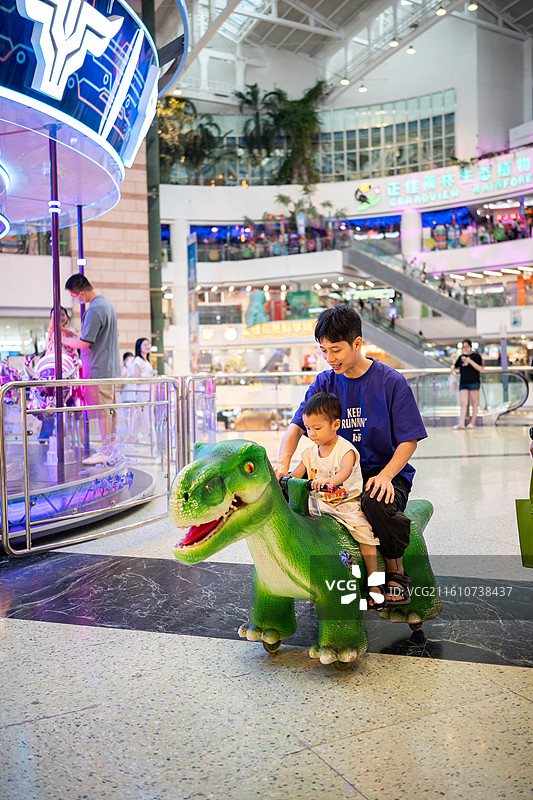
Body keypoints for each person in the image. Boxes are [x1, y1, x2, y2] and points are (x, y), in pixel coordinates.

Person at [274, 306, 427, 606]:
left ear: (357, 343)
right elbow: (295, 427)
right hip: (332, 475)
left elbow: (409, 441)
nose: (329, 358)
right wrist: (284, 463)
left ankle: (395, 571)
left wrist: (386, 476)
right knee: (284, 491)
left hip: (381, 473)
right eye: (323, 351)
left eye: (336, 350)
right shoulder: (324, 383)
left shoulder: (391, 382)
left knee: (375, 500)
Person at [288, 392, 385, 609]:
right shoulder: (309, 453)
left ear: (336, 424)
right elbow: (296, 475)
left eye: (317, 428)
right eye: (308, 428)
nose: (312, 434)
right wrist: (284, 479)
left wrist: (329, 482)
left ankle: (374, 583)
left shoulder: (345, 450)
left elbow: (345, 471)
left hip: (346, 504)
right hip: (320, 503)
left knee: (365, 535)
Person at [63, 273, 120, 464]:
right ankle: (111, 449)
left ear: (81, 294)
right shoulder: (107, 305)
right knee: (110, 410)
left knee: (104, 411)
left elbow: (84, 342)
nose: (75, 300)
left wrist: (62, 339)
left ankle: (106, 451)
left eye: (73, 296)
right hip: (109, 369)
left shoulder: (95, 309)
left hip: (99, 369)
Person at [450, 339, 483, 430]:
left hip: (474, 382)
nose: (465, 348)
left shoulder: (476, 356)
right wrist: (453, 367)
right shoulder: (461, 357)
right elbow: (456, 366)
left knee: (474, 402)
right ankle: (461, 423)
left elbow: (480, 368)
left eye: (467, 346)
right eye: (463, 347)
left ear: (470, 347)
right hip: (463, 382)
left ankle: (472, 422)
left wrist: (469, 361)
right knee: (463, 403)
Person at [132, 337, 155, 442]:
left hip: (149, 391)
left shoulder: (147, 361)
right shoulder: (138, 360)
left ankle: (134, 437)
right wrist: (148, 378)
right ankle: (150, 440)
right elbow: (136, 379)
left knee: (145, 416)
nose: (147, 346)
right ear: (139, 347)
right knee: (146, 417)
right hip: (142, 392)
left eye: (148, 344)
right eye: (145, 345)